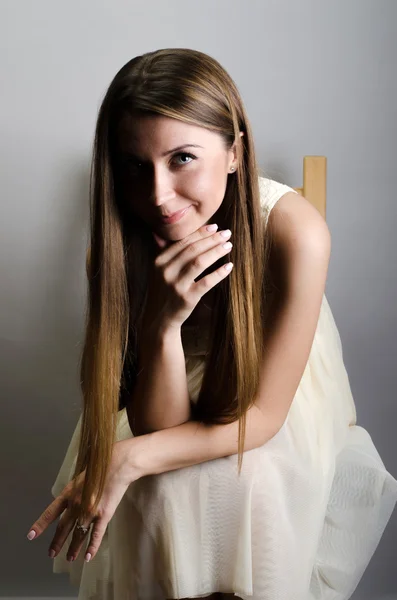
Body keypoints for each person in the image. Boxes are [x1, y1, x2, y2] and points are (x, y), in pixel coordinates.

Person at [27, 48, 397, 600]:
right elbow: (160, 423)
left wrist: (127, 457)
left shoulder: (293, 232)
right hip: (169, 389)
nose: (157, 195)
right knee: (154, 490)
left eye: (181, 159)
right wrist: (164, 324)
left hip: (274, 398)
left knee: (242, 485)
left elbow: (265, 418)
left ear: (233, 153)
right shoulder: (114, 248)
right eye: (135, 166)